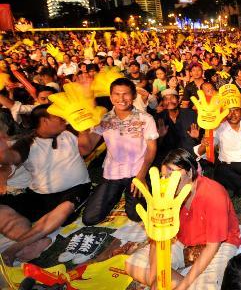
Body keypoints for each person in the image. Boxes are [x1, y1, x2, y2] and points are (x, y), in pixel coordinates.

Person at [125, 148, 241, 289]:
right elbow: (158, 237)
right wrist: (155, 279)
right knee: (132, 264)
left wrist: (182, 286)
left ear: (190, 172)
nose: (166, 181)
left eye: (171, 174)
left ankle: (184, 283)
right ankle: (184, 282)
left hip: (218, 245)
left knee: (205, 286)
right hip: (183, 240)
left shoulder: (213, 194)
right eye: (163, 176)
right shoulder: (164, 193)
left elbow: (213, 246)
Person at [0, 105, 91, 264]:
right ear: (45, 120)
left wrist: (85, 127)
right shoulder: (27, 143)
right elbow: (11, 158)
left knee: (65, 208)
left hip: (74, 190)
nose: (64, 120)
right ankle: (36, 243)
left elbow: (85, 148)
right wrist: (2, 148)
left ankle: (17, 247)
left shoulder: (69, 132)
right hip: (40, 195)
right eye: (59, 117)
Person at [79, 77, 158, 225]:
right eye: (116, 94)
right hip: (112, 173)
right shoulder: (103, 119)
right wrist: (82, 126)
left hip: (137, 172)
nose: (121, 98)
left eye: (126, 94)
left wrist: (141, 176)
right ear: (110, 96)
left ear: (134, 96)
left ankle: (139, 191)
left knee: (136, 215)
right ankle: (114, 195)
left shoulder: (145, 118)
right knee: (90, 218)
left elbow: (152, 149)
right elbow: (86, 149)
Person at [156, 88, 200, 158]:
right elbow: (156, 145)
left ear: (178, 100)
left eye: (172, 98)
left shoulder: (191, 114)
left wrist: (197, 137)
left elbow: (200, 140)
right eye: (166, 99)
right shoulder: (159, 118)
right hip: (169, 157)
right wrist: (161, 137)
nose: (169, 101)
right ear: (163, 103)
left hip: (190, 155)